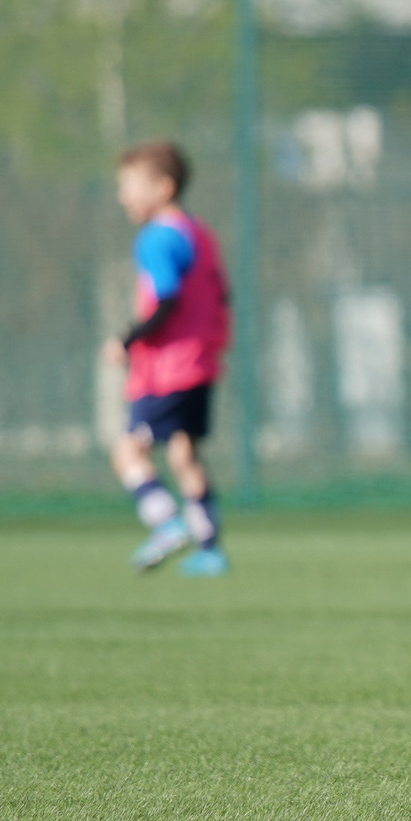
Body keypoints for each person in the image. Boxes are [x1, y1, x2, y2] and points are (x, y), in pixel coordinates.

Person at [106, 140, 233, 576]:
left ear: (163, 187)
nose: (123, 196)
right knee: (184, 454)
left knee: (127, 452)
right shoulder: (199, 233)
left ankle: (165, 524)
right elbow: (221, 295)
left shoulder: (157, 237)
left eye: (129, 186)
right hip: (201, 361)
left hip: (169, 368)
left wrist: (126, 340)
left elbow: (165, 302)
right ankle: (211, 548)